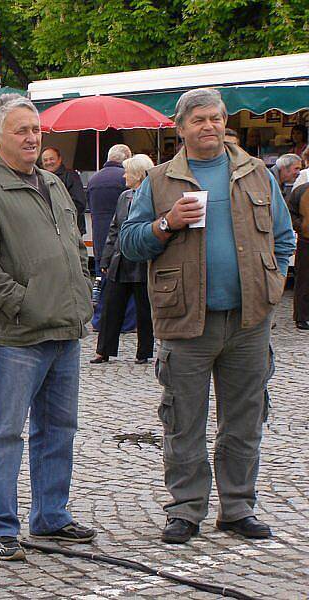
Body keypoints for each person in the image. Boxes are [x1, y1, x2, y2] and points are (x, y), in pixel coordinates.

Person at [120, 88, 295, 544]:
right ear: (180, 128)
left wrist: (273, 286)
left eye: (216, 118)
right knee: (183, 422)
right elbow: (130, 243)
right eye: (199, 120)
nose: (210, 126)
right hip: (185, 322)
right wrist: (167, 223)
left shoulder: (257, 173)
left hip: (248, 322)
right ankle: (185, 509)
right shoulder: (159, 181)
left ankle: (238, 507)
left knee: (245, 420)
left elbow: (284, 236)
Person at [0, 94, 96, 562]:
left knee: (59, 427)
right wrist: (25, 305)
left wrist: (80, 290)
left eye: (35, 129)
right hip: (18, 336)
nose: (32, 137)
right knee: (6, 432)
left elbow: (74, 245)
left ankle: (50, 515)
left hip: (66, 330)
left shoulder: (54, 185)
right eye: (21, 130)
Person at [91, 154, 155, 365]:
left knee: (144, 309)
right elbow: (114, 229)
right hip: (121, 259)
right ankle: (104, 350)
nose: (124, 175)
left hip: (143, 260)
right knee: (111, 306)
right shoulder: (124, 196)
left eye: (127, 171)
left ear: (138, 174)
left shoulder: (153, 196)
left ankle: (143, 351)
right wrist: (106, 260)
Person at [86, 144, 132, 276]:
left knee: (102, 284)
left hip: (98, 238)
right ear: (127, 158)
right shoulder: (126, 178)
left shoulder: (93, 179)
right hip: (120, 241)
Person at [40, 146, 87, 234]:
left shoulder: (71, 176)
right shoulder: (39, 178)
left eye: (51, 159)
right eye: (45, 160)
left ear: (59, 159)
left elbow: (79, 203)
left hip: (71, 229)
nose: (48, 162)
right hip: (47, 229)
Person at [287, 181, 309, 330]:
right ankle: (302, 316)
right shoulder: (302, 191)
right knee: (304, 279)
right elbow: (290, 212)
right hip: (306, 240)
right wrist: (301, 227)